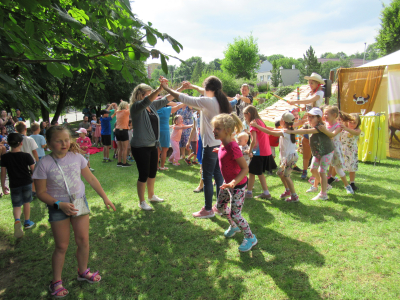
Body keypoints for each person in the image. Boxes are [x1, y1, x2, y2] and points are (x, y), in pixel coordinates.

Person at [32, 126, 116, 298]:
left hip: (79, 202)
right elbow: (40, 192)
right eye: (58, 140)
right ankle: (56, 282)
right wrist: (59, 204)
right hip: (58, 207)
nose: (64, 143)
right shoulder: (43, 164)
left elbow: (91, 178)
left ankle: (83, 271)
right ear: (47, 144)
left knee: (83, 240)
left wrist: (105, 197)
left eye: (66, 139)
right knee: (62, 246)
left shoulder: (77, 157)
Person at [159, 76, 232, 218]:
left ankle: (208, 209)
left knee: (207, 176)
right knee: (218, 175)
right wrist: (192, 86)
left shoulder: (208, 101)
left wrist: (166, 88)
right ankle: (220, 207)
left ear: (207, 88)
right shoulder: (220, 99)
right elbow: (202, 91)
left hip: (210, 145)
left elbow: (183, 98)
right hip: (220, 144)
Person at [212, 113, 257, 252]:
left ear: (226, 130)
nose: (214, 131)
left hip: (237, 186)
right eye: (214, 128)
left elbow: (245, 168)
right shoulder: (223, 145)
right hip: (227, 184)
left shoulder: (233, 147)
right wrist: (219, 150)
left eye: (217, 129)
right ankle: (234, 226)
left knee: (235, 213)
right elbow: (227, 155)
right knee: (220, 207)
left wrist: (233, 182)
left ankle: (250, 237)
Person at [129, 83, 178, 210]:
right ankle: (142, 202)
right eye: (150, 93)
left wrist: (181, 88)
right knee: (143, 174)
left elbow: (166, 99)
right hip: (140, 146)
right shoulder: (136, 107)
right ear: (142, 94)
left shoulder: (152, 106)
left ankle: (151, 196)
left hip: (152, 145)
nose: (154, 96)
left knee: (152, 172)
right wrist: (158, 89)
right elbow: (146, 101)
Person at [285, 108, 334, 200]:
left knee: (322, 171)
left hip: (326, 152)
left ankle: (323, 194)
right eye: (309, 116)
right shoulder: (309, 125)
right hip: (318, 152)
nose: (309, 118)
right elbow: (303, 129)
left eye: (312, 117)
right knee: (312, 170)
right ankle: (325, 186)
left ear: (319, 118)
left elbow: (306, 132)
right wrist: (290, 128)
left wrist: (292, 132)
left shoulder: (320, 127)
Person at [251, 112, 299, 202]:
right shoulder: (288, 129)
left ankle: (294, 196)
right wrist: (261, 125)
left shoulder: (285, 132)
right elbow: (272, 129)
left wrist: (256, 126)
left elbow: (270, 132)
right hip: (289, 157)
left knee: (286, 175)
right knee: (280, 173)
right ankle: (288, 191)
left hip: (290, 157)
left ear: (283, 121)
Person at [288, 73, 325, 178]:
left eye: (312, 82)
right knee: (306, 145)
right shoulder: (310, 93)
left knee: (317, 149)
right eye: (309, 82)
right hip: (308, 122)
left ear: (317, 83)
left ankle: (319, 171)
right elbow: (307, 105)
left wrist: (295, 101)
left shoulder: (320, 92)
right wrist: (301, 109)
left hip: (316, 122)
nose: (310, 84)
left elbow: (310, 101)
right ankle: (305, 170)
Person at [1, 133, 36, 238]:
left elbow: (3, 173)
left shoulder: (5, 157)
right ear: (21, 143)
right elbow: (34, 170)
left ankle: (17, 221)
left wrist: (3, 185)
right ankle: (27, 222)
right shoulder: (26, 156)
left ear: (9, 143)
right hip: (26, 183)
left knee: (16, 205)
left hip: (14, 184)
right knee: (26, 202)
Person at [317, 106, 354, 194]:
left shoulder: (338, 126)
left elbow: (332, 135)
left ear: (334, 115)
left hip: (334, 149)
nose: (324, 115)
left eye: (326, 114)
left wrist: (324, 130)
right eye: (324, 114)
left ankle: (347, 186)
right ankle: (321, 186)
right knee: (321, 169)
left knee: (338, 170)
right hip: (325, 148)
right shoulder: (325, 124)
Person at [243, 105, 277, 199]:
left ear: (249, 114)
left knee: (253, 172)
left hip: (258, 153)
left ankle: (249, 193)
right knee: (258, 172)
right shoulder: (260, 121)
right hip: (266, 151)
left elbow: (253, 141)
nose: (245, 119)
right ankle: (265, 193)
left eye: (245, 116)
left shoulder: (253, 124)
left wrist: (249, 151)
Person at [157, 101, 186, 170]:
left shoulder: (155, 109)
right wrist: (186, 101)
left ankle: (156, 167)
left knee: (158, 151)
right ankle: (162, 166)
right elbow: (177, 106)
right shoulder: (167, 109)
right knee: (164, 150)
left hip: (157, 131)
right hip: (165, 131)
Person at [340, 113, 362, 191]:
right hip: (342, 150)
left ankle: (352, 183)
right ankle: (331, 177)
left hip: (352, 151)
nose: (352, 124)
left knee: (352, 168)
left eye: (354, 123)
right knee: (338, 165)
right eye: (350, 122)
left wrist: (345, 128)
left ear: (358, 123)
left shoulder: (357, 130)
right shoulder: (342, 128)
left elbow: (355, 133)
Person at [112, 101, 131, 167]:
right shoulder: (126, 112)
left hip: (117, 130)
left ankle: (119, 162)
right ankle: (124, 163)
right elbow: (132, 106)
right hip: (124, 130)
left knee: (119, 148)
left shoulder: (117, 112)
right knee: (125, 148)